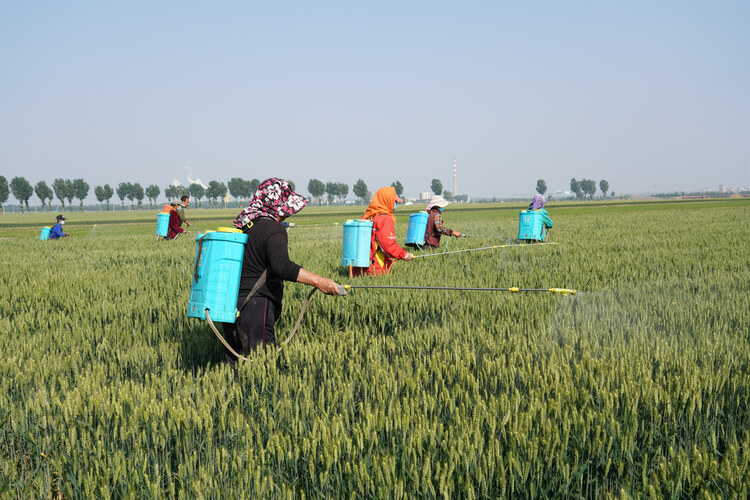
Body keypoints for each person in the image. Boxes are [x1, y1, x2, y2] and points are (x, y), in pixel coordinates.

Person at [221, 178, 340, 365]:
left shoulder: (245, 225)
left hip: (231, 307)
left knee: (234, 372)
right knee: (262, 371)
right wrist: (320, 282)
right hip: (256, 307)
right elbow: (281, 266)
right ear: (277, 204)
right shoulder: (272, 228)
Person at [352, 186, 414, 277]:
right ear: (387, 200)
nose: (396, 204)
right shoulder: (385, 219)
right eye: (395, 201)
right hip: (375, 269)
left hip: (358, 269)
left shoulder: (368, 216)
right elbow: (388, 245)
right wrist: (404, 254)